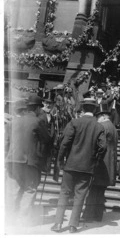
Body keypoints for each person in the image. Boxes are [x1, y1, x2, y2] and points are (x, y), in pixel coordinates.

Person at [51, 98, 106, 233]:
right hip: (87, 167)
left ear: (83, 108)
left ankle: (58, 224)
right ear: (95, 110)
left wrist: (60, 160)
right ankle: (73, 225)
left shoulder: (74, 122)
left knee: (64, 193)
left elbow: (64, 143)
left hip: (71, 164)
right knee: (80, 195)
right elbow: (103, 146)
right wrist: (95, 160)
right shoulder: (99, 126)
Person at [5, 95, 51, 225]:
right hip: (29, 162)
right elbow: (47, 140)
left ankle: (9, 219)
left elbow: (6, 143)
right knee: (29, 189)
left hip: (12, 161)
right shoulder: (37, 122)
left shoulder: (13, 122)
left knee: (12, 190)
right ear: (36, 108)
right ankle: (23, 220)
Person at [82, 106, 118, 222]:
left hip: (101, 162)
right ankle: (97, 216)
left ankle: (88, 215)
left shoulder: (103, 126)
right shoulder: (113, 127)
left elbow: (97, 143)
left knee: (93, 189)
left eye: (98, 117)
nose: (97, 120)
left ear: (103, 116)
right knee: (100, 191)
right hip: (109, 164)